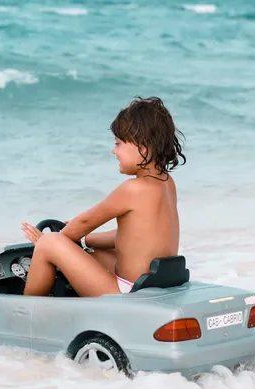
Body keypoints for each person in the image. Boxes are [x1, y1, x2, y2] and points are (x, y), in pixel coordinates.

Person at [21, 96, 186, 297]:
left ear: (142, 149)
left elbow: (85, 221)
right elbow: (128, 238)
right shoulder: (166, 183)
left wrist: (56, 241)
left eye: (118, 144)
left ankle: (26, 312)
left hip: (126, 292)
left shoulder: (133, 189)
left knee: (50, 243)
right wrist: (83, 241)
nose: (113, 151)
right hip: (151, 285)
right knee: (93, 255)